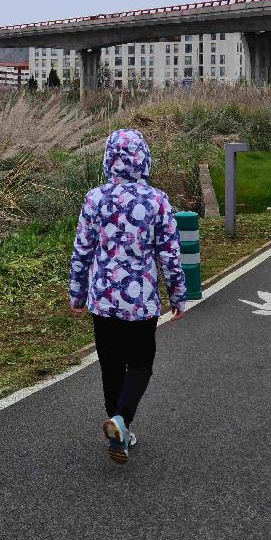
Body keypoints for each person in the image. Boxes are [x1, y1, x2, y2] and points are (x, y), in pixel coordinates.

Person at [68, 129, 187, 466]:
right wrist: (178, 295)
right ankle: (121, 421)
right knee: (140, 363)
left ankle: (119, 425)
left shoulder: (94, 199)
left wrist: (76, 293)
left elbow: (82, 252)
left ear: (108, 159)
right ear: (143, 158)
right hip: (141, 302)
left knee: (110, 364)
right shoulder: (158, 201)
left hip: (102, 300)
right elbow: (170, 255)